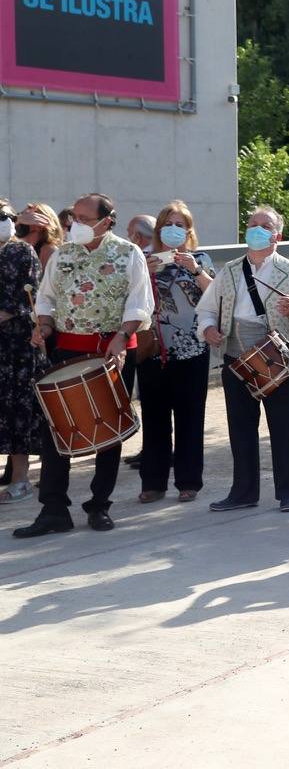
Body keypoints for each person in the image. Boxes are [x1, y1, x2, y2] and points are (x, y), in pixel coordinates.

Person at [14, 193, 154, 538]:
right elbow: (45, 298)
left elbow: (139, 302)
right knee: (55, 430)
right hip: (66, 350)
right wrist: (43, 325)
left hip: (110, 353)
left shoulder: (128, 253)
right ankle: (53, 509)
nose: (74, 224)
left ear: (107, 221)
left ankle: (99, 505)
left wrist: (123, 336)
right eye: (73, 217)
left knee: (107, 431)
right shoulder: (63, 253)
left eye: (83, 218)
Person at [198, 206, 289, 512]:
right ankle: (243, 493)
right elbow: (206, 308)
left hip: (276, 356)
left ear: (277, 235)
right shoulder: (229, 270)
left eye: (263, 225)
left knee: (282, 425)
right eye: (252, 224)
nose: (255, 229)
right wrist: (209, 328)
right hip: (234, 355)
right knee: (240, 427)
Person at [134, 201, 216, 504]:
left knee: (190, 417)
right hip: (153, 349)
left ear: (189, 230)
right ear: (158, 230)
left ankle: (188, 480)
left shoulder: (201, 259)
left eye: (179, 224)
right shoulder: (143, 260)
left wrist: (194, 270)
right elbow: (130, 299)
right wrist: (145, 272)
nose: (173, 229)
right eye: (168, 224)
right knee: (154, 417)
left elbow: (216, 296)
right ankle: (153, 482)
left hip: (192, 350)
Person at [0, 201, 61, 500]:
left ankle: (21, 479)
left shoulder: (20, 251)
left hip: (18, 346)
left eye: (6, 217)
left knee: (19, 410)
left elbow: (27, 300)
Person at [122, 212, 157, 470]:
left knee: (157, 400)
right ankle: (149, 448)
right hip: (143, 341)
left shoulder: (152, 258)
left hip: (153, 340)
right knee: (147, 398)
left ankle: (156, 451)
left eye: (130, 232)